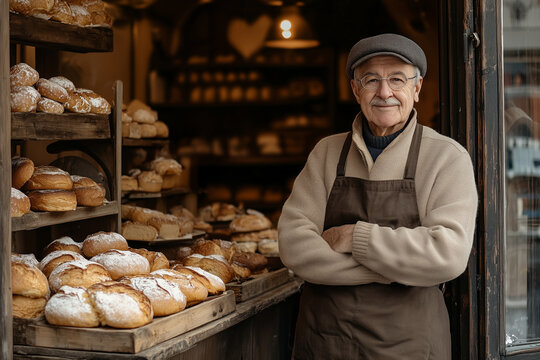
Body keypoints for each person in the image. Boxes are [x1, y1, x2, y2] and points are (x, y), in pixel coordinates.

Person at [277, 33, 478, 359]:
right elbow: (294, 246)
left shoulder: (446, 158)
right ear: (356, 90)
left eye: (397, 79)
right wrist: (400, 271)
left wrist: (356, 237)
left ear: (417, 88)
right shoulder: (327, 154)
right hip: (326, 341)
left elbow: (448, 255)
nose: (385, 93)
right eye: (371, 80)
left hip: (411, 345)